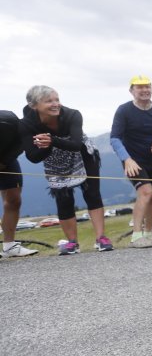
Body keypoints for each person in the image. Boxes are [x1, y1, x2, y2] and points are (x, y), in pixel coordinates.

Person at [20, 86, 112, 255]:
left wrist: (51, 140)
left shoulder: (72, 115)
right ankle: (72, 243)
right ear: (34, 105)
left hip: (82, 153)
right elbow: (33, 157)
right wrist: (47, 147)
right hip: (53, 158)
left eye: (57, 99)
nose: (56, 104)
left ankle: (101, 238)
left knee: (92, 194)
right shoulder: (26, 123)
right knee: (63, 199)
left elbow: (76, 145)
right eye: (49, 101)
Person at [111, 75, 152, 248]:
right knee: (145, 192)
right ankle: (136, 235)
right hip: (133, 161)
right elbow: (115, 139)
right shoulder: (124, 110)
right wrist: (127, 160)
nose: (145, 90)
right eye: (140, 87)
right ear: (132, 91)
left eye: (147, 86)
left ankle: (148, 234)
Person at [0, 110, 38, 258]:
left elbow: (20, 146)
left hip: (7, 157)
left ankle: (10, 247)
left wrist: (3, 162)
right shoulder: (6, 121)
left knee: (14, 200)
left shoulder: (18, 128)